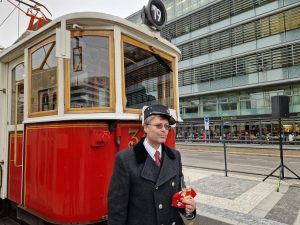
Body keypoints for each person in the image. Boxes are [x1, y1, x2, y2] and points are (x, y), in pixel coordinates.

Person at [108, 104, 196, 225]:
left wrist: (189, 209)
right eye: (158, 125)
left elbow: (180, 195)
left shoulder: (175, 156)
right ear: (145, 127)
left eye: (166, 126)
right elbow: (117, 209)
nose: (164, 130)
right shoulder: (125, 159)